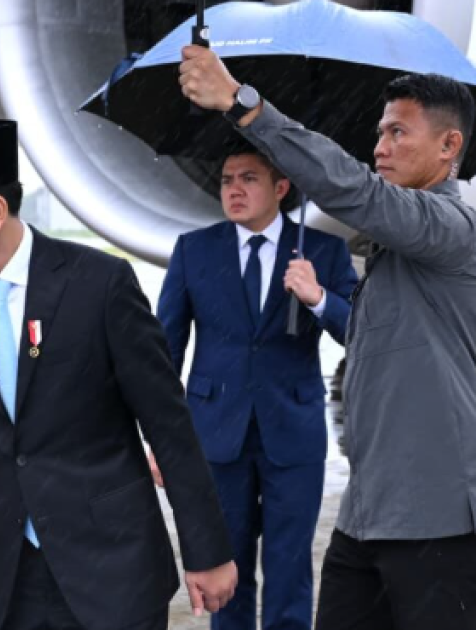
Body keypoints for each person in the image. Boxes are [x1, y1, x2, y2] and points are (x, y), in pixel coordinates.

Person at [0, 119, 238, 630]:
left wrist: (206, 549)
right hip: (6, 577)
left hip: (112, 567)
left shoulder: (98, 284)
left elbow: (168, 423)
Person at [181, 46, 476, 630]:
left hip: (436, 519)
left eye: (398, 132)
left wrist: (245, 106)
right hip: (367, 512)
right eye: (379, 132)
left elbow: (357, 193)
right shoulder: (394, 254)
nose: (380, 147)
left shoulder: (450, 229)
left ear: (449, 148)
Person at [154, 148, 357, 630]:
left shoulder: (323, 252)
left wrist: (319, 297)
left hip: (293, 432)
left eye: (249, 178)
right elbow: (164, 352)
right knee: (226, 568)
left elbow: (360, 332)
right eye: (227, 180)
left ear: (281, 187)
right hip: (216, 434)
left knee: (290, 567)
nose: (234, 190)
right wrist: (162, 439)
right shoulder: (194, 250)